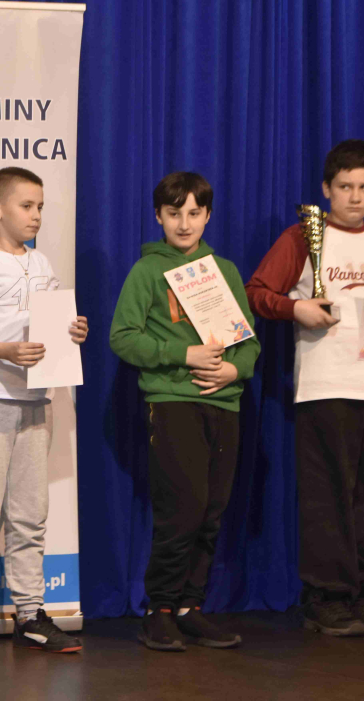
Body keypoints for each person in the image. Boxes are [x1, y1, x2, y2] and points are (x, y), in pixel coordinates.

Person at [109, 172, 261, 652]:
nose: (184, 223)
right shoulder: (147, 272)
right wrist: (184, 355)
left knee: (212, 511)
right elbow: (123, 338)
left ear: (208, 216)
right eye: (174, 213)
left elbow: (248, 341)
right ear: (159, 215)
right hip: (173, 401)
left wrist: (233, 370)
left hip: (224, 403)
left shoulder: (224, 270)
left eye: (194, 213)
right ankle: (158, 610)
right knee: (183, 509)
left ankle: (189, 608)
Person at [0, 167, 87, 658]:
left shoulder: (43, 262)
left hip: (36, 400)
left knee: (30, 515)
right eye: (26, 206)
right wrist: (5, 351)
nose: (35, 216)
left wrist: (72, 332)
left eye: (40, 207)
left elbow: (51, 325)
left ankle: (30, 614)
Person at [245, 140, 364, 636]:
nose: (356, 197)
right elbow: (257, 292)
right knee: (328, 496)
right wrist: (296, 308)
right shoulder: (303, 237)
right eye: (346, 186)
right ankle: (328, 597)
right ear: (326, 189)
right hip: (327, 385)